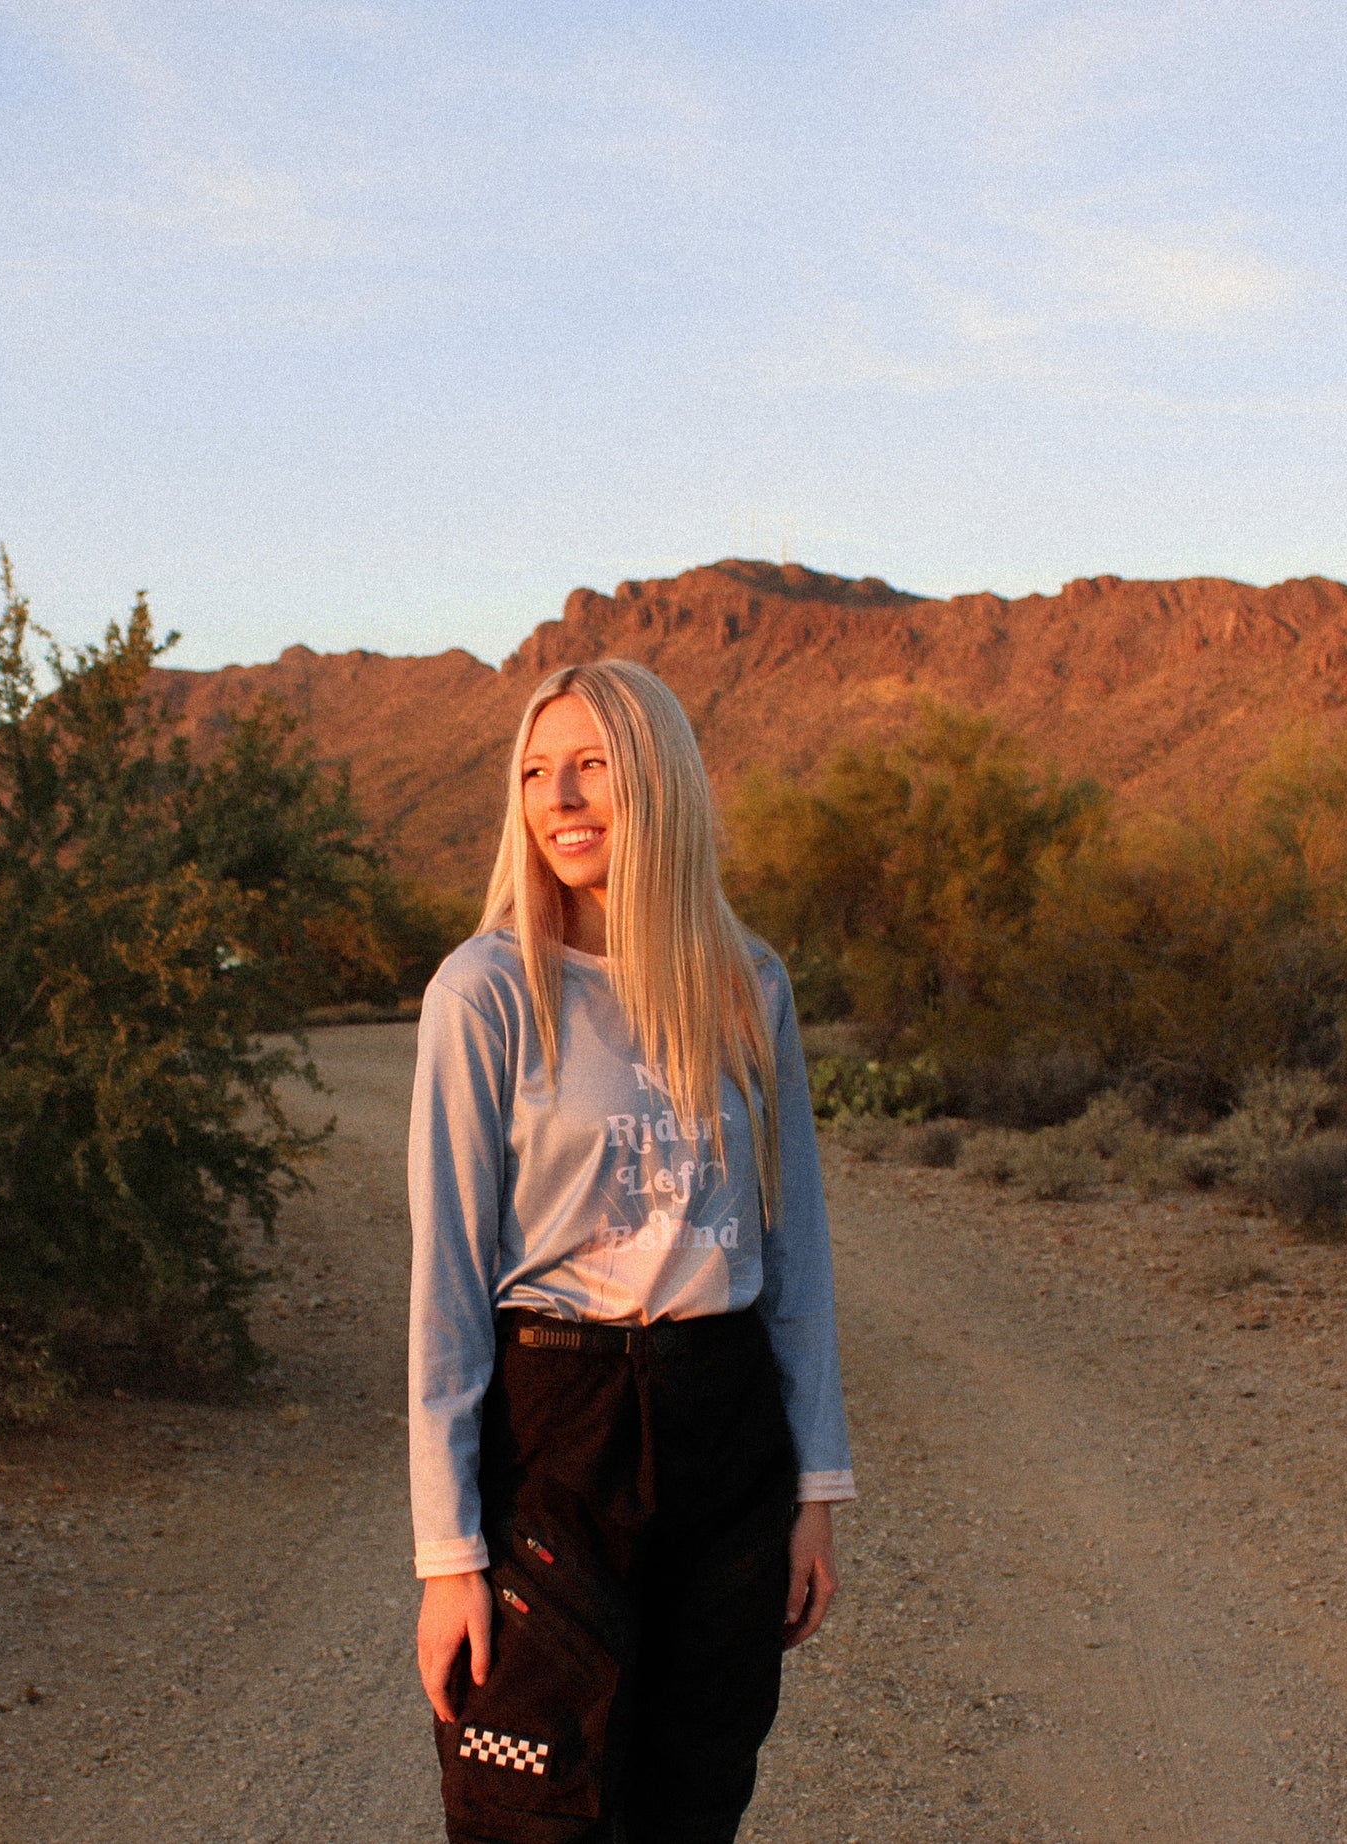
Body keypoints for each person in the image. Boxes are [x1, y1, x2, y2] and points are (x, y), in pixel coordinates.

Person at [407, 658, 854, 1844]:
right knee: (529, 1802)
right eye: (538, 771)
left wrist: (814, 1490)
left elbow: (793, 1250)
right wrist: (449, 1552)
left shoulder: (746, 986)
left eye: (593, 766)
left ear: (657, 781)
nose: (561, 797)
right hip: (559, 1417)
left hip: (725, 1417)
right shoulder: (486, 990)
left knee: (691, 1792)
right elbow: (446, 1286)